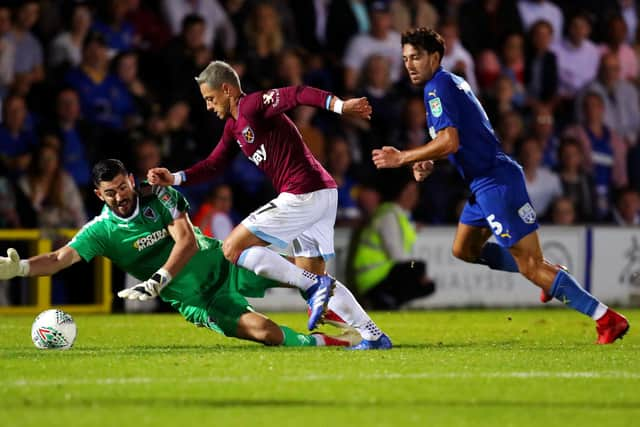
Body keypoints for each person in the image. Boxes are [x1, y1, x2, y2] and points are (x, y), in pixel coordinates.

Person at [372, 27, 629, 344]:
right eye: (406, 59)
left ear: (435, 57)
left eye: (416, 57)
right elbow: (455, 138)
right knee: (464, 249)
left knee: (530, 266)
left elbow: (449, 141)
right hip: (483, 183)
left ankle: (605, 318)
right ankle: (551, 274)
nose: (410, 64)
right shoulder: (446, 84)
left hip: (494, 181)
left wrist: (404, 157)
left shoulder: (437, 87)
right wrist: (426, 160)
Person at [147, 60, 391, 349]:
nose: (209, 106)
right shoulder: (232, 128)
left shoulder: (252, 105)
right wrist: (174, 177)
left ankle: (316, 287)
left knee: (233, 247)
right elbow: (214, 165)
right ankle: (373, 335)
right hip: (322, 193)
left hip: (304, 192)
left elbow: (298, 93)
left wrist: (340, 106)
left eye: (210, 99)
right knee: (313, 276)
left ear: (227, 89)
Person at [0, 159, 364, 349]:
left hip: (223, 262)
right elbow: (61, 258)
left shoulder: (158, 194)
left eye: (123, 186)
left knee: (306, 276)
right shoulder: (101, 232)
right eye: (110, 192)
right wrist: (21, 269)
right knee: (266, 334)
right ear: (99, 195)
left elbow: (186, 241)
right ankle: (328, 340)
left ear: (131, 179)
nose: (120, 196)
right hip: (198, 301)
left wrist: (159, 279)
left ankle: (363, 327)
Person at [352, 169, 435, 309]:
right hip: (372, 278)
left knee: (418, 271)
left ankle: (391, 301)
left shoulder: (399, 215)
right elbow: (397, 255)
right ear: (399, 191)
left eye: (414, 192)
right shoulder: (388, 215)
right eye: (408, 191)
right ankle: (384, 299)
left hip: (379, 275)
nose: (412, 196)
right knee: (416, 267)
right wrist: (417, 271)